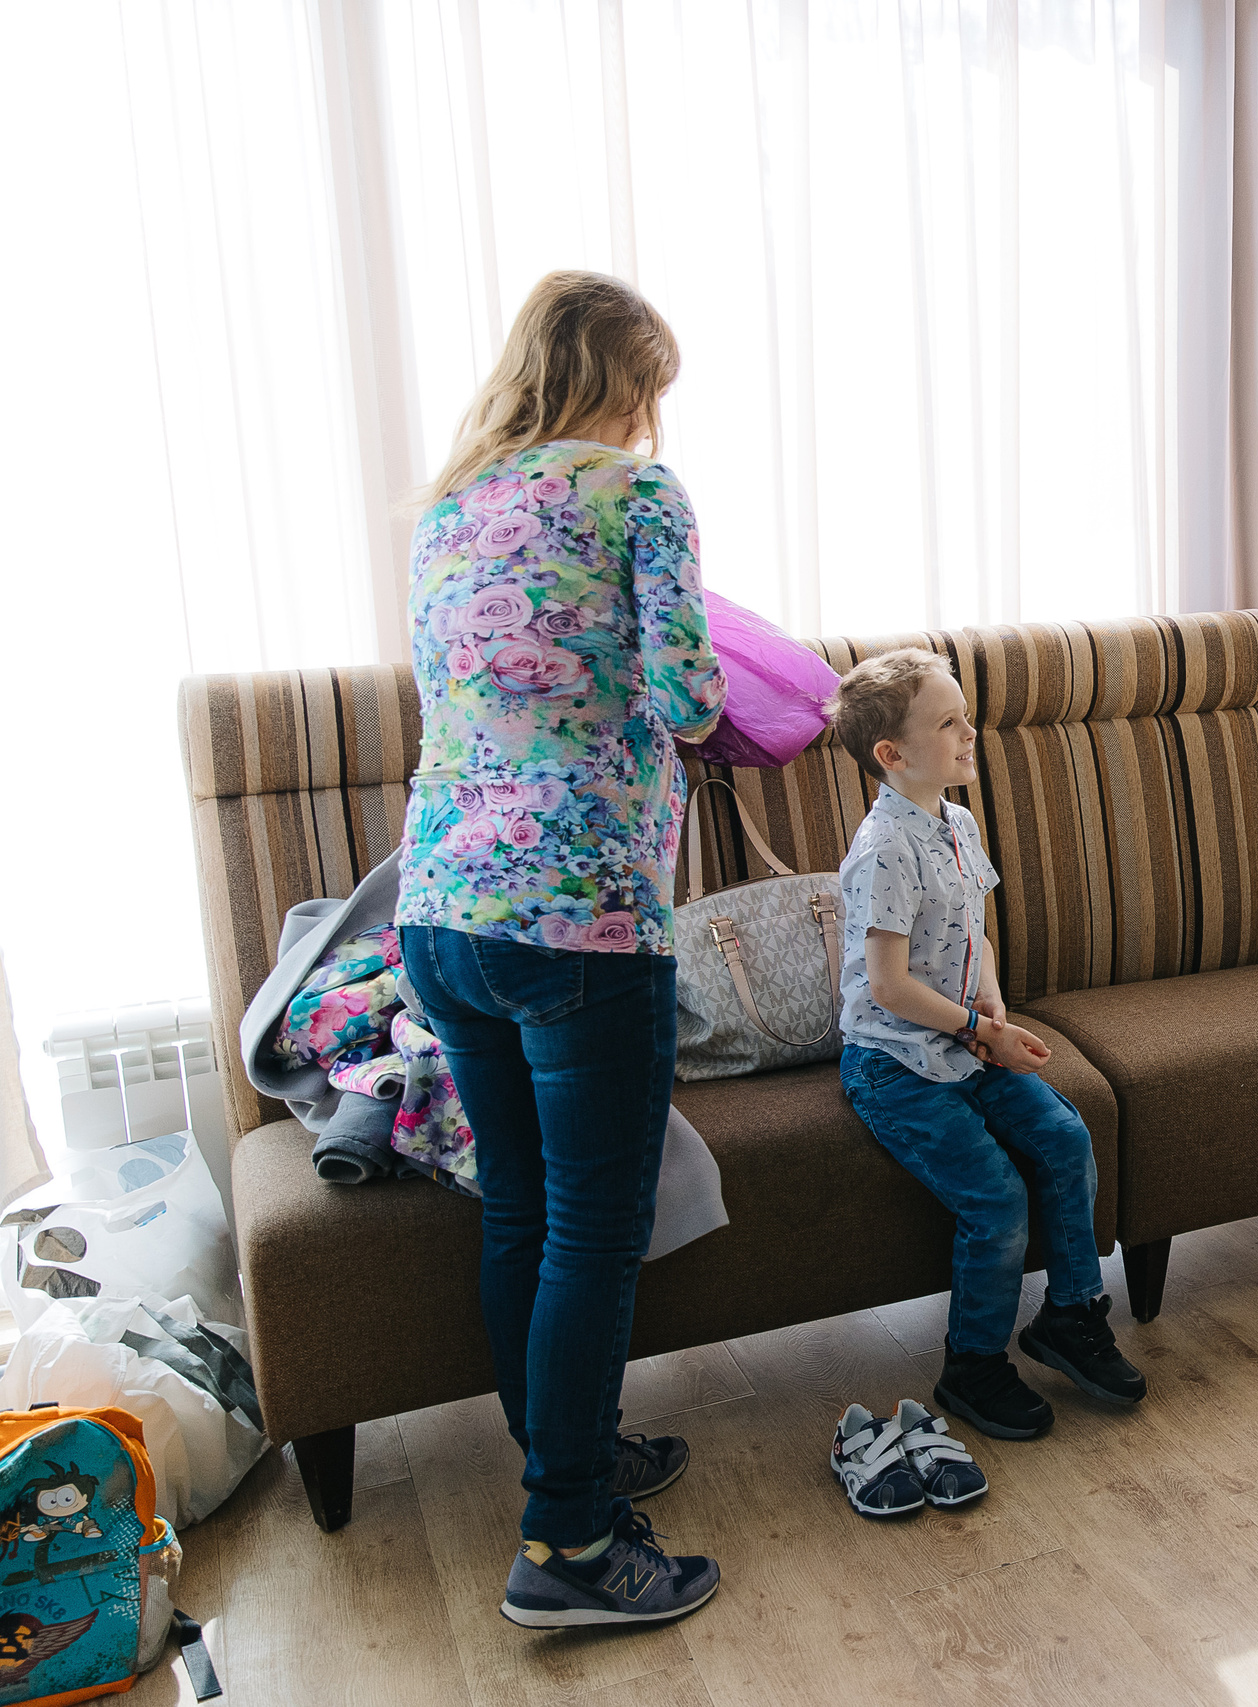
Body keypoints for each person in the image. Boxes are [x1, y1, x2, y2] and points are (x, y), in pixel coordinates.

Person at [395, 270, 728, 1629]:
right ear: (625, 380)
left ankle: (565, 1455)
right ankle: (571, 1543)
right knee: (594, 1224)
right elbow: (690, 694)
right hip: (579, 910)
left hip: (440, 909)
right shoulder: (638, 495)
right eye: (650, 391)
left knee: (523, 1209)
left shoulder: (448, 506)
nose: (652, 418)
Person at [828, 648, 1145, 1442]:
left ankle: (1071, 1315)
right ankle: (971, 1366)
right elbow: (891, 987)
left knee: (1065, 1137)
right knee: (995, 1198)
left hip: (970, 1039)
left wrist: (995, 1010)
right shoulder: (882, 848)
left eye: (965, 715)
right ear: (891, 755)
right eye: (949, 722)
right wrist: (981, 1031)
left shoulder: (957, 821)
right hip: (898, 1062)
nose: (971, 732)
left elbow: (976, 931)